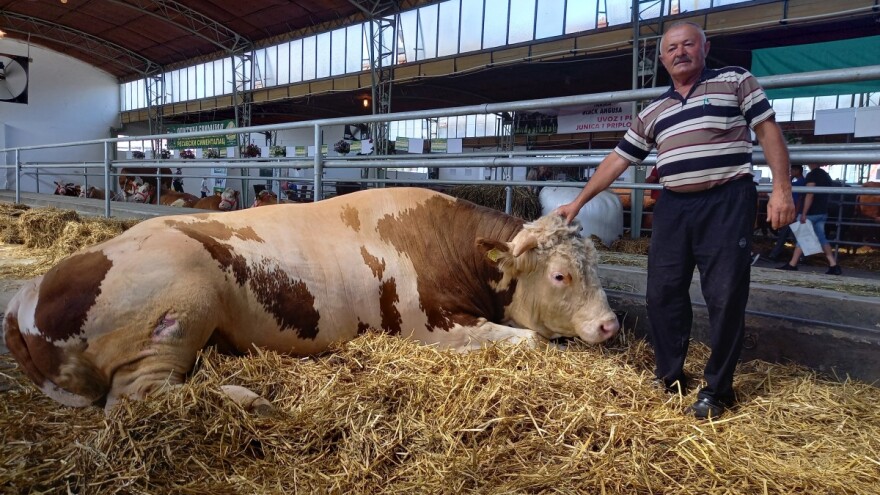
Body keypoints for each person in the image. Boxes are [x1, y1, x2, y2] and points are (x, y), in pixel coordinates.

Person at [555, 21, 795, 419]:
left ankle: (718, 390)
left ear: (705, 47)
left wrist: (782, 189)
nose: (680, 52)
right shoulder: (654, 111)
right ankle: (670, 376)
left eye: (688, 44)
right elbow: (618, 159)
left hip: (726, 200)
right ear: (662, 58)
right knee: (661, 294)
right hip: (673, 206)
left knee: (725, 295)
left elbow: (769, 132)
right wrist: (578, 202)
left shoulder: (736, 81)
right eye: (672, 48)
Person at [776, 164, 842, 275]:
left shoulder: (812, 175)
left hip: (811, 212)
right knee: (821, 239)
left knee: (802, 237)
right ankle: (833, 264)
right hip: (822, 211)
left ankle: (792, 264)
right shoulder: (825, 175)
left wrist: (804, 213)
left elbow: (810, 194)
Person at [767, 164, 806, 261]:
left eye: (792, 171)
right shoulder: (802, 182)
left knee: (790, 234)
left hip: (794, 211)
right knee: (793, 234)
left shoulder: (799, 183)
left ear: (797, 171)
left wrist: (796, 212)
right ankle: (800, 257)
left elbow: (798, 197)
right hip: (795, 211)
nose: (791, 173)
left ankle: (776, 254)